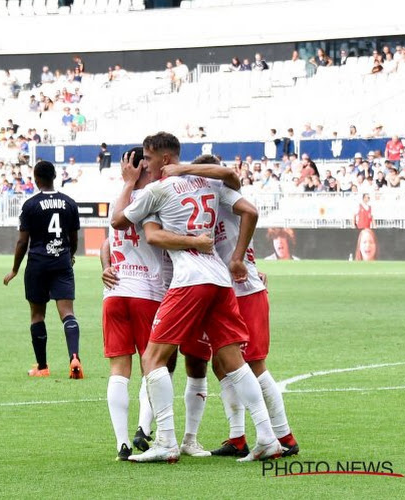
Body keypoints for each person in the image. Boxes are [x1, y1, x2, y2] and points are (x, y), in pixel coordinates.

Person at [111, 132, 282, 463]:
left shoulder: (156, 191)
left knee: (152, 358)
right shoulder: (208, 185)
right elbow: (236, 186)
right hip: (219, 278)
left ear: (163, 159)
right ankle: (266, 436)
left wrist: (128, 183)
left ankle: (166, 442)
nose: (144, 163)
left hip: (189, 279)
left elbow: (119, 221)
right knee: (233, 360)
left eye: (147, 157)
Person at [163, 155, 299, 459]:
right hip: (221, 291)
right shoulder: (208, 203)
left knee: (252, 364)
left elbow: (237, 189)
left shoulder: (225, 191)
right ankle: (237, 437)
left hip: (245, 290)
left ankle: (284, 436)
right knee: (222, 365)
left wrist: (240, 259)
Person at [100, 147, 213, 461]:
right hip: (148, 293)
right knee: (156, 364)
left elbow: (108, 240)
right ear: (145, 167)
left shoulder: (118, 200)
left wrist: (105, 266)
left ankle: (124, 442)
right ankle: (153, 431)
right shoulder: (158, 197)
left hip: (115, 293)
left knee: (118, 370)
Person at [3, 161, 83, 379]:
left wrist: (15, 269)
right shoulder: (70, 203)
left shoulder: (30, 205)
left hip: (37, 264)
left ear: (36, 179)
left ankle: (42, 367)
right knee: (67, 313)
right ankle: (74, 357)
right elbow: (74, 238)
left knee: (37, 315)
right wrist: (69, 255)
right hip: (62, 263)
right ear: (55, 176)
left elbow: (22, 243)